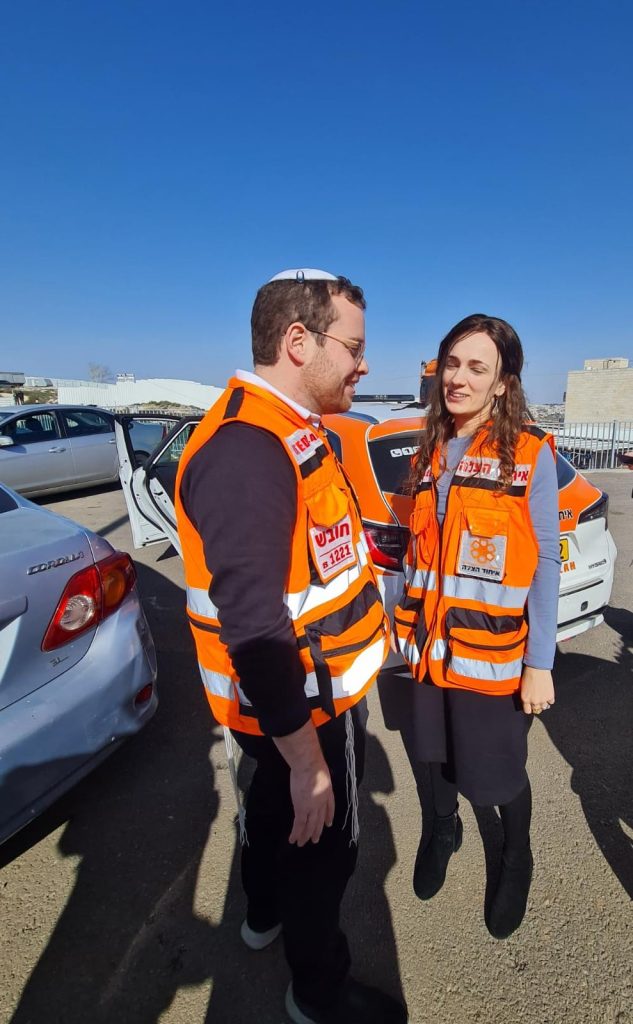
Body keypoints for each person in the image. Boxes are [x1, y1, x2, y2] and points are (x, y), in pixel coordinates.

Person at [175, 268, 407, 1024]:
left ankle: (260, 916)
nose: (365, 364)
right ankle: (317, 992)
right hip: (307, 705)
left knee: (272, 819)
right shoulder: (249, 447)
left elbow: (313, 555)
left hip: (283, 708)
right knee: (324, 847)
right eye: (355, 347)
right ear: (297, 340)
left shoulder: (289, 427)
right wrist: (310, 762)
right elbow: (253, 623)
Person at [393, 313, 560, 939]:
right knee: (432, 759)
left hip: (490, 658)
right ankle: (443, 830)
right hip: (429, 651)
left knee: (496, 774)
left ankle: (516, 856)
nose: (458, 379)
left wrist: (538, 661)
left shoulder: (530, 455)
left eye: (476, 368)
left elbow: (543, 563)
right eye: (451, 365)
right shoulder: (430, 450)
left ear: (503, 382)